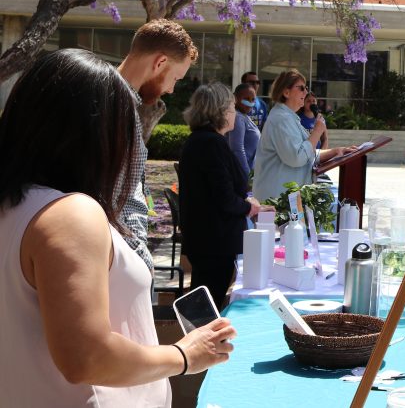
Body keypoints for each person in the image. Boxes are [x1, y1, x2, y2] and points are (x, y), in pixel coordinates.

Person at [0, 49, 235, 407]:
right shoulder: (69, 214)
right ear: (95, 133)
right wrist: (185, 355)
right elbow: (87, 357)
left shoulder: (18, 205)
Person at [116, 19, 199, 270]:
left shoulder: (124, 102)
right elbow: (118, 202)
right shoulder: (112, 106)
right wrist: (140, 260)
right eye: (175, 78)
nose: (172, 89)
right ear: (160, 62)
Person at [179, 84, 264, 307]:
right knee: (208, 305)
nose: (235, 112)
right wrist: (249, 207)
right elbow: (223, 197)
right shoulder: (210, 143)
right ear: (221, 111)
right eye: (232, 107)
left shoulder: (204, 140)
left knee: (207, 301)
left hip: (208, 239)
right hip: (213, 241)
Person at [252, 69, 355, 202]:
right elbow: (297, 157)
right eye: (301, 88)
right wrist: (317, 131)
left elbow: (306, 153)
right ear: (286, 92)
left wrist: (336, 152)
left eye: (306, 88)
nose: (305, 92)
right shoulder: (281, 119)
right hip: (276, 200)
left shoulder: (289, 117)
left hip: (285, 199)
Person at [227, 83, 261, 177]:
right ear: (235, 98)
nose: (250, 103)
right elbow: (237, 149)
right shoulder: (238, 118)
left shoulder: (243, 116)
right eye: (246, 99)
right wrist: (247, 175)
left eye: (253, 99)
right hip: (240, 175)